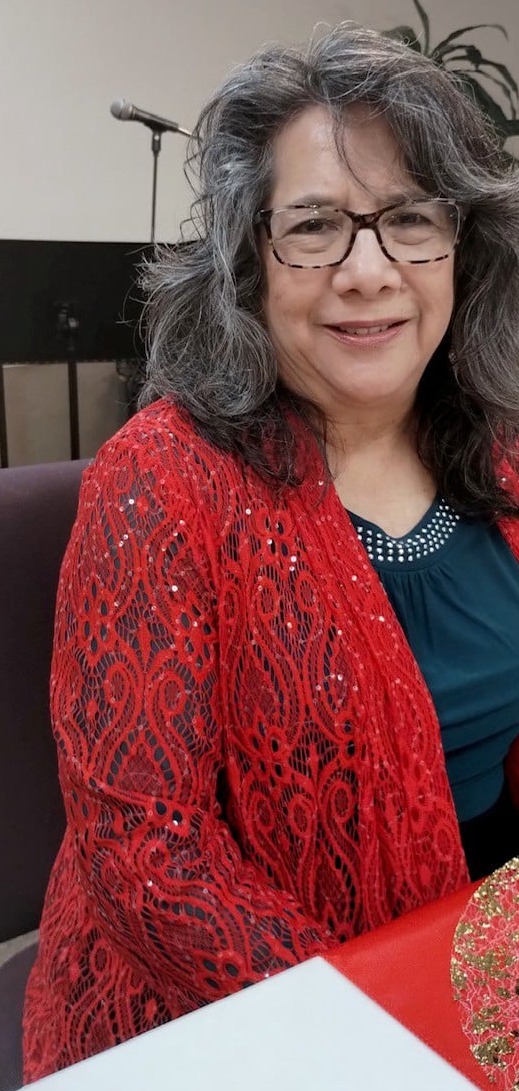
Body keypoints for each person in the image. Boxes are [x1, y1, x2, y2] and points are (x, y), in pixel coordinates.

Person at [24, 21, 519, 1081]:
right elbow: (145, 852)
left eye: (409, 219)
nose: (368, 270)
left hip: (475, 958)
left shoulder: (503, 449)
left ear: (462, 245)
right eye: (315, 227)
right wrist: (374, 1036)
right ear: (247, 260)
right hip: (242, 1015)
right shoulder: (159, 483)